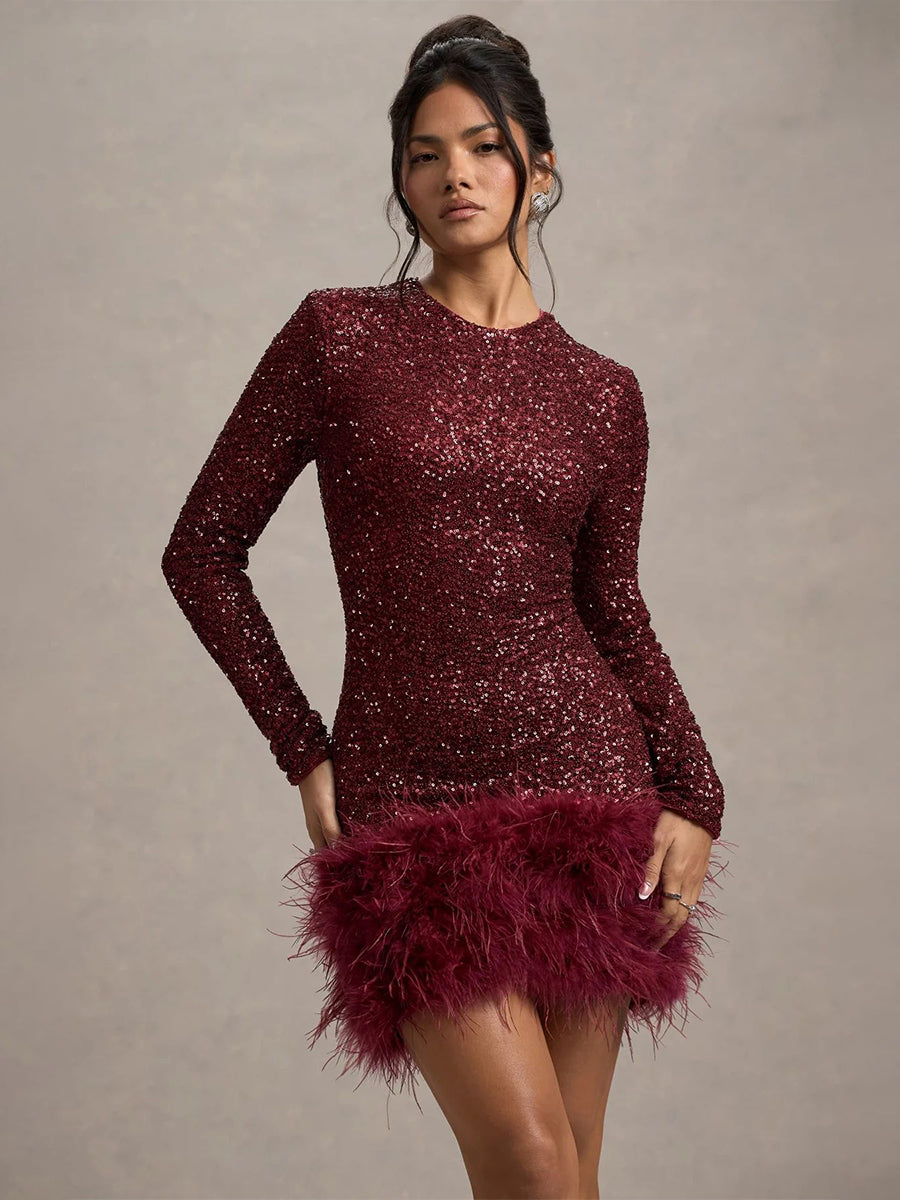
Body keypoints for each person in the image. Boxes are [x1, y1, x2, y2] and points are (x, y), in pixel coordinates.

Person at [161, 16, 731, 1200]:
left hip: (587, 791)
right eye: (424, 154)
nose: (454, 175)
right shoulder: (339, 337)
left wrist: (695, 791)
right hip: (409, 799)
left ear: (539, 168)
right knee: (525, 1156)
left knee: (569, 1166)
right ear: (400, 178)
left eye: (482, 146)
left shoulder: (602, 393)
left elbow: (612, 606)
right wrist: (303, 748)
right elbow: (202, 551)